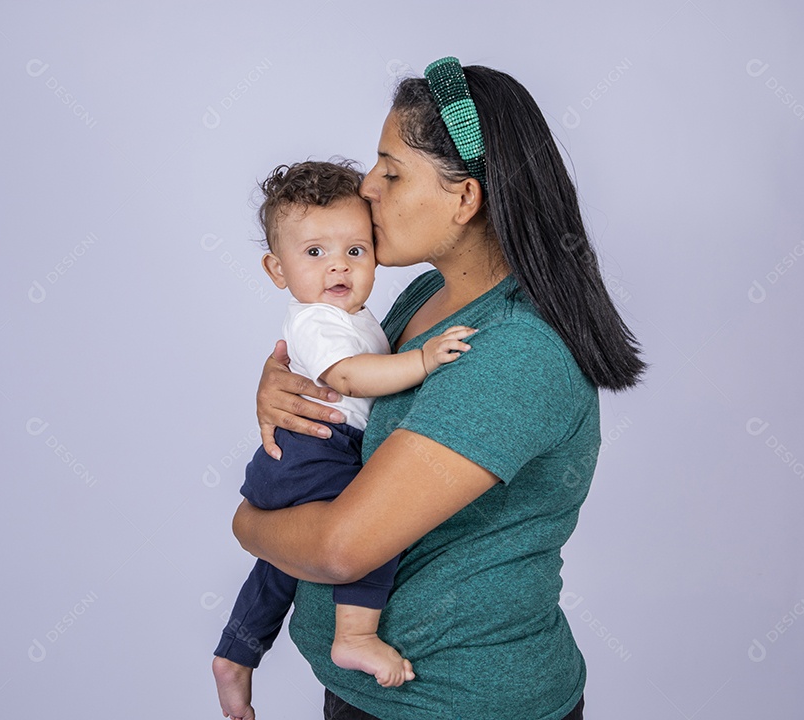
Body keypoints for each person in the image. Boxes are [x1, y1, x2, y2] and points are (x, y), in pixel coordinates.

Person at [232, 57, 646, 720]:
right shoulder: (431, 297)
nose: (367, 188)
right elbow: (357, 407)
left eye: (392, 173)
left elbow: (343, 548)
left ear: (464, 199)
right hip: (371, 695)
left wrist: (248, 523)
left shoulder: (514, 352)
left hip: (457, 702)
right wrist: (279, 386)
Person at [212, 159, 478, 720]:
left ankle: (237, 651)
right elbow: (349, 377)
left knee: (282, 563)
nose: (338, 265)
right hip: (318, 452)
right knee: (376, 530)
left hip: (304, 453)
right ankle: (354, 635)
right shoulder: (320, 321)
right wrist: (422, 360)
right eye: (314, 253)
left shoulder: (352, 315)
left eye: (355, 251)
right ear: (275, 269)